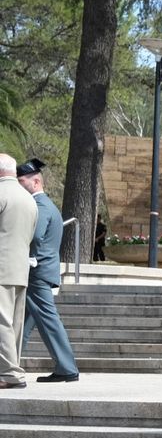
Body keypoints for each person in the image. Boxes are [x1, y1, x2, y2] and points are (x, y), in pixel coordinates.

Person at [16, 159, 79, 383]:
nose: (17, 184)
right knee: (22, 322)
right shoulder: (46, 204)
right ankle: (9, 363)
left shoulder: (40, 206)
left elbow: (35, 236)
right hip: (42, 271)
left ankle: (67, 366)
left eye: (21, 181)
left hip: (36, 272)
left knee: (48, 320)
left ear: (35, 181)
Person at [0, 154, 39, 389]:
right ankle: (9, 370)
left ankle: (10, 374)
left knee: (2, 322)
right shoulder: (29, 199)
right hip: (19, 268)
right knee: (14, 324)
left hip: (1, 267)